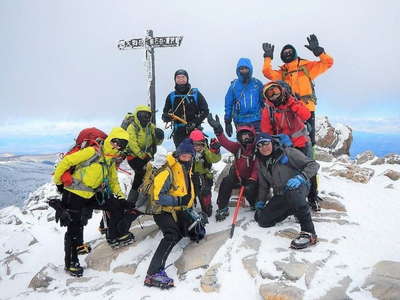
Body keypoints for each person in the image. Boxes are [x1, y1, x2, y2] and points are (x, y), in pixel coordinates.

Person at [53, 127, 135, 277]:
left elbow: (113, 180)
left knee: (115, 205)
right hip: (74, 194)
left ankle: (114, 235)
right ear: (111, 139)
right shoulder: (92, 152)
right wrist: (58, 182)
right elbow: (67, 161)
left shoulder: (109, 160)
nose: (117, 146)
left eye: (121, 145)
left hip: (90, 195)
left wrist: (121, 198)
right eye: (116, 142)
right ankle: (71, 262)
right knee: (73, 226)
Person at [262, 34, 334, 145]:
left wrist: (319, 52)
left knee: (309, 140)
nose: (288, 54)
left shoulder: (307, 67)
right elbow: (267, 72)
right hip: (289, 109)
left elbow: (328, 62)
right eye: (285, 53)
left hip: (307, 108)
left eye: (290, 51)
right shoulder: (283, 73)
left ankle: (309, 161)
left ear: (295, 52)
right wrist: (268, 58)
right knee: (293, 138)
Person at [144, 138, 197, 289]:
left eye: (189, 156)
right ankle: (152, 274)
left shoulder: (186, 169)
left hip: (176, 210)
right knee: (171, 235)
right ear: (178, 155)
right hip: (161, 210)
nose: (186, 158)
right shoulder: (168, 170)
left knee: (192, 232)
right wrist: (179, 201)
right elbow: (158, 197)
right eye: (183, 155)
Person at [260, 81, 321, 211]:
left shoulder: (293, 102)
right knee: (288, 171)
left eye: (275, 91)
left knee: (308, 167)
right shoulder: (268, 110)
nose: (274, 95)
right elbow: (266, 132)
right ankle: (293, 198)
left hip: (301, 143)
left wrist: (291, 102)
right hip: (284, 147)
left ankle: (312, 197)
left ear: (281, 90)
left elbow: (306, 115)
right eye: (269, 93)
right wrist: (276, 142)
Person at [254, 133, 320, 249]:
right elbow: (264, 185)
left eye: (266, 143)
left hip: (299, 186)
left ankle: (309, 233)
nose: (263, 148)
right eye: (259, 146)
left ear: (272, 142)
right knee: (263, 220)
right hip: (281, 194)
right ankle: (294, 209)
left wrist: (301, 177)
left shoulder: (288, 152)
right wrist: (261, 203)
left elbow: (313, 165)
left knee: (292, 191)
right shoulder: (261, 163)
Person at [207, 114, 258, 221]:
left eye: (247, 136)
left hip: (252, 180)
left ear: (252, 136)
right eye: (242, 136)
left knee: (252, 190)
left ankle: (255, 204)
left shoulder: (257, 149)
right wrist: (218, 130)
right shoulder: (237, 147)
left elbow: (257, 167)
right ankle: (222, 207)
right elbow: (225, 142)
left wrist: (252, 179)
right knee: (226, 181)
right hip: (238, 177)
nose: (245, 139)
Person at [123, 105, 164, 201]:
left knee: (154, 172)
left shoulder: (151, 127)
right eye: (142, 115)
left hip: (146, 156)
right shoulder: (132, 127)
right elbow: (132, 143)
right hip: (133, 156)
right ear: (137, 115)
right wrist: (142, 155)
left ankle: (143, 197)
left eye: (147, 115)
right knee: (140, 173)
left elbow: (157, 143)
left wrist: (160, 136)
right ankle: (133, 199)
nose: (145, 118)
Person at [161, 69, 209, 147]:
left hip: (195, 131)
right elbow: (165, 114)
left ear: (187, 79)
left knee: (197, 156)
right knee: (182, 157)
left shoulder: (195, 94)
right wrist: (167, 117)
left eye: (183, 77)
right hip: (178, 133)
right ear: (175, 80)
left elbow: (205, 111)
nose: (181, 79)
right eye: (178, 77)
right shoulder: (171, 96)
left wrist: (195, 122)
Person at [224, 58, 264, 136]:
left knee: (259, 143)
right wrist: (227, 121)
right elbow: (228, 103)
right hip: (241, 121)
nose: (244, 70)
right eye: (241, 69)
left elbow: (264, 102)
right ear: (238, 70)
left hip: (257, 120)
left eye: (246, 68)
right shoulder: (234, 86)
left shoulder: (257, 84)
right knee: (245, 144)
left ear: (250, 69)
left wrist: (268, 116)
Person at [189, 129, 221, 217]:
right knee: (189, 192)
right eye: (194, 144)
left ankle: (207, 204)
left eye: (199, 144)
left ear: (203, 143)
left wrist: (215, 150)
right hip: (191, 177)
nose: (197, 147)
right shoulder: (187, 152)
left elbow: (215, 159)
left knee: (207, 211)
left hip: (205, 176)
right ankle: (191, 203)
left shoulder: (206, 151)